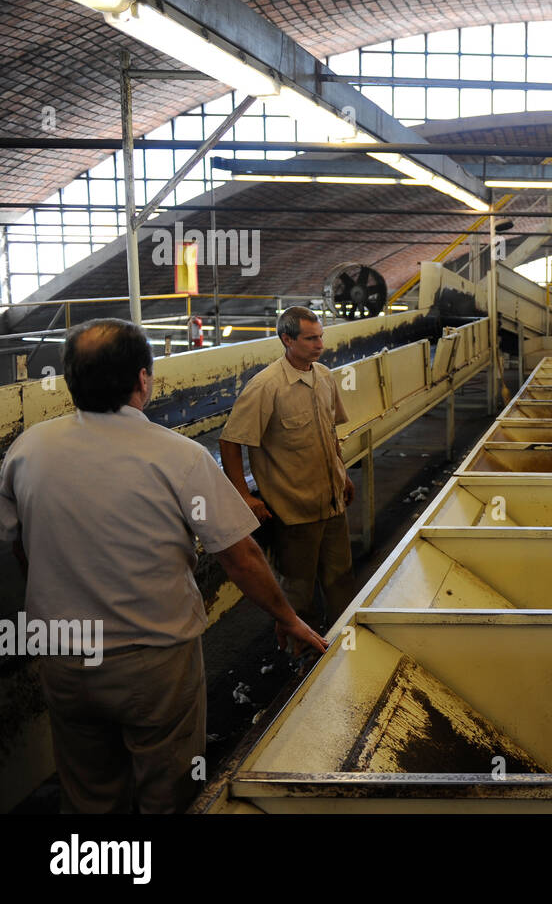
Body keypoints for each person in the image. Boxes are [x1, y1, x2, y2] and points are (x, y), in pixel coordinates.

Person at [0, 318, 326, 814]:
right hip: (152, 660)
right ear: (143, 380)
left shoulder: (27, 450)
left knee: (88, 791)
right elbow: (239, 557)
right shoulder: (179, 457)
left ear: (69, 380)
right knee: (167, 789)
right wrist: (287, 617)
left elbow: (19, 542)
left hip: (63, 658)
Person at [220, 306, 355, 633]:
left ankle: (343, 645)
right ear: (286, 339)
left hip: (333, 504)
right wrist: (243, 495)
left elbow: (329, 432)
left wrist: (343, 474)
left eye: (320, 336)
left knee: (341, 581)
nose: (319, 344)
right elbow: (230, 441)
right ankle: (302, 659)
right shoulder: (267, 386)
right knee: (298, 592)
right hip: (294, 512)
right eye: (310, 339)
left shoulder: (323, 376)